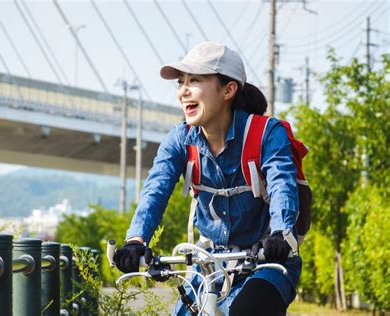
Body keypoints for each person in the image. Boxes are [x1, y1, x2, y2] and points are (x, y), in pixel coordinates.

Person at [114, 42, 301, 315]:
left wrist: (280, 234)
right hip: (210, 263)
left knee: (247, 310)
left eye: (195, 80)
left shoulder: (266, 134)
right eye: (181, 82)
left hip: (267, 261)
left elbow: (282, 184)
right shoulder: (180, 140)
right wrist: (136, 241)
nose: (183, 91)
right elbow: (156, 189)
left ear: (228, 89)